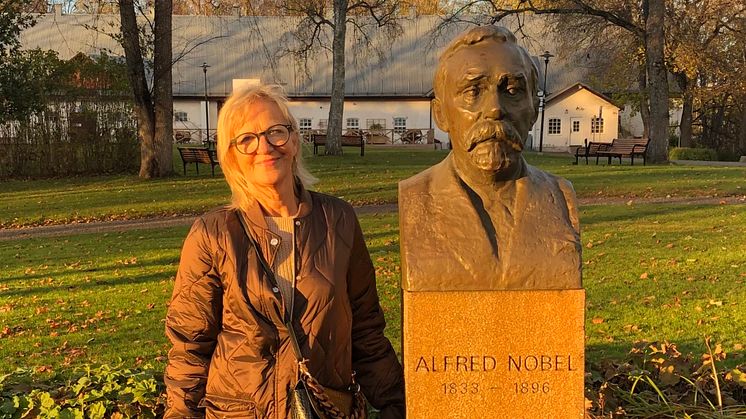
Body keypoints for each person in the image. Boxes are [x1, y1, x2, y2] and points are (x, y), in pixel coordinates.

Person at [164, 84, 405, 418]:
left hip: (323, 407)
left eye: (275, 132)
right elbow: (190, 347)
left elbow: (365, 329)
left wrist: (401, 402)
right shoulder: (213, 234)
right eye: (247, 138)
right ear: (232, 155)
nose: (265, 146)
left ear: (293, 140)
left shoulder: (338, 220)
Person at [399, 26, 582, 291]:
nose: (495, 109)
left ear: (533, 111)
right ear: (440, 114)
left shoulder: (561, 198)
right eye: (473, 92)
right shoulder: (415, 198)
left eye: (512, 90)